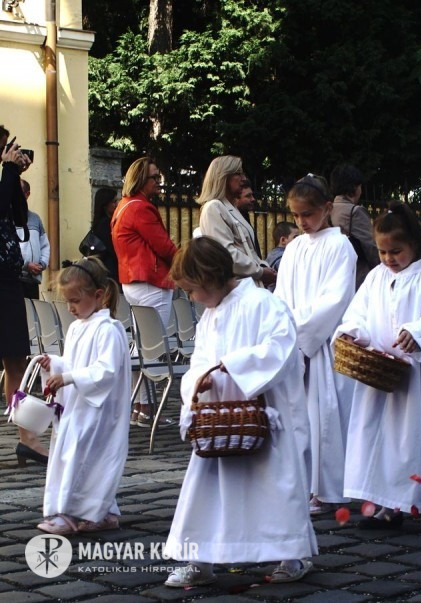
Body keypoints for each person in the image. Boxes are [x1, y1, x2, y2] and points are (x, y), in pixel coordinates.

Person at [163, 237, 317, 587]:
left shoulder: (264, 304)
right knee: (206, 489)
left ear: (211, 277)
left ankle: (292, 554)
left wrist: (232, 367)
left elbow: (280, 349)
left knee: (275, 484)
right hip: (220, 421)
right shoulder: (210, 316)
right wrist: (200, 381)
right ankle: (201, 559)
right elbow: (199, 361)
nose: (192, 298)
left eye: (192, 289)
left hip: (264, 416)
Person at [336, 201, 421, 528]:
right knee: (381, 440)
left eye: (396, 251)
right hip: (380, 376)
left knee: (417, 440)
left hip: (420, 378)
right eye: (382, 252)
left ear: (414, 245)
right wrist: (352, 334)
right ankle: (388, 506)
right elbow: (359, 313)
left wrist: (416, 334)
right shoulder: (376, 277)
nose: (389, 259)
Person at [274, 174, 357, 515]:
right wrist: (285, 332)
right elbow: (281, 296)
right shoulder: (293, 248)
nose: (301, 222)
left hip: (324, 346)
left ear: (327, 208)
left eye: (307, 214)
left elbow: (335, 299)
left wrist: (304, 338)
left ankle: (329, 488)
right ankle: (303, 484)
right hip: (296, 343)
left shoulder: (340, 246)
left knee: (326, 415)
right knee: (299, 416)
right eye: (295, 215)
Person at [34, 257, 130, 534]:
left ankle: (71, 513)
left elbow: (105, 370)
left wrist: (68, 377)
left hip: (99, 411)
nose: (70, 308)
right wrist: (54, 364)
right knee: (76, 455)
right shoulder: (78, 327)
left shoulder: (108, 329)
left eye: (75, 301)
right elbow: (73, 362)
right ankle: (103, 511)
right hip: (79, 406)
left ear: (98, 295)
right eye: (67, 301)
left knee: (87, 457)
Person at [111, 157, 178, 428]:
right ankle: (147, 409)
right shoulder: (141, 208)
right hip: (150, 281)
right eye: (154, 178)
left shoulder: (123, 206)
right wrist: (189, 264)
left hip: (132, 281)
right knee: (152, 349)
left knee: (141, 347)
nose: (159, 182)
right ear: (141, 180)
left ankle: (140, 408)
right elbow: (164, 247)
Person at [0, 137, 47, 465]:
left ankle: (27, 439)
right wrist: (8, 170)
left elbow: (18, 216)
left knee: (16, 361)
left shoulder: (6, 179)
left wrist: (14, 175)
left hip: (8, 282)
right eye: (4, 147)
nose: (8, 153)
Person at [197, 156, 275, 287]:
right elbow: (225, 254)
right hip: (236, 288)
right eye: (238, 174)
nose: (244, 178)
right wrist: (260, 271)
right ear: (223, 177)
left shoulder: (230, 208)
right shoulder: (213, 207)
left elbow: (248, 251)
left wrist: (263, 267)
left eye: (243, 173)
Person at [330, 164, 379, 287]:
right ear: (355, 187)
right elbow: (370, 246)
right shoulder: (355, 212)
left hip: (334, 274)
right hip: (356, 275)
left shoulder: (328, 209)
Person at [17, 180, 50, 299]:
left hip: (32, 280)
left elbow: (44, 245)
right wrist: (26, 264)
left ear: (27, 194)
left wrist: (42, 264)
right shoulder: (5, 218)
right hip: (15, 280)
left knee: (32, 310)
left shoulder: (35, 218)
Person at [91, 187, 119, 281]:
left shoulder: (101, 223)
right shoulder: (105, 224)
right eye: (114, 202)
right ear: (105, 205)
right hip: (109, 269)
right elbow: (112, 248)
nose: (117, 204)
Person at [232, 177, 262, 258]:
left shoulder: (245, 216)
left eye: (252, 195)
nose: (253, 199)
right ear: (235, 199)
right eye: (248, 196)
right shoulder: (232, 220)